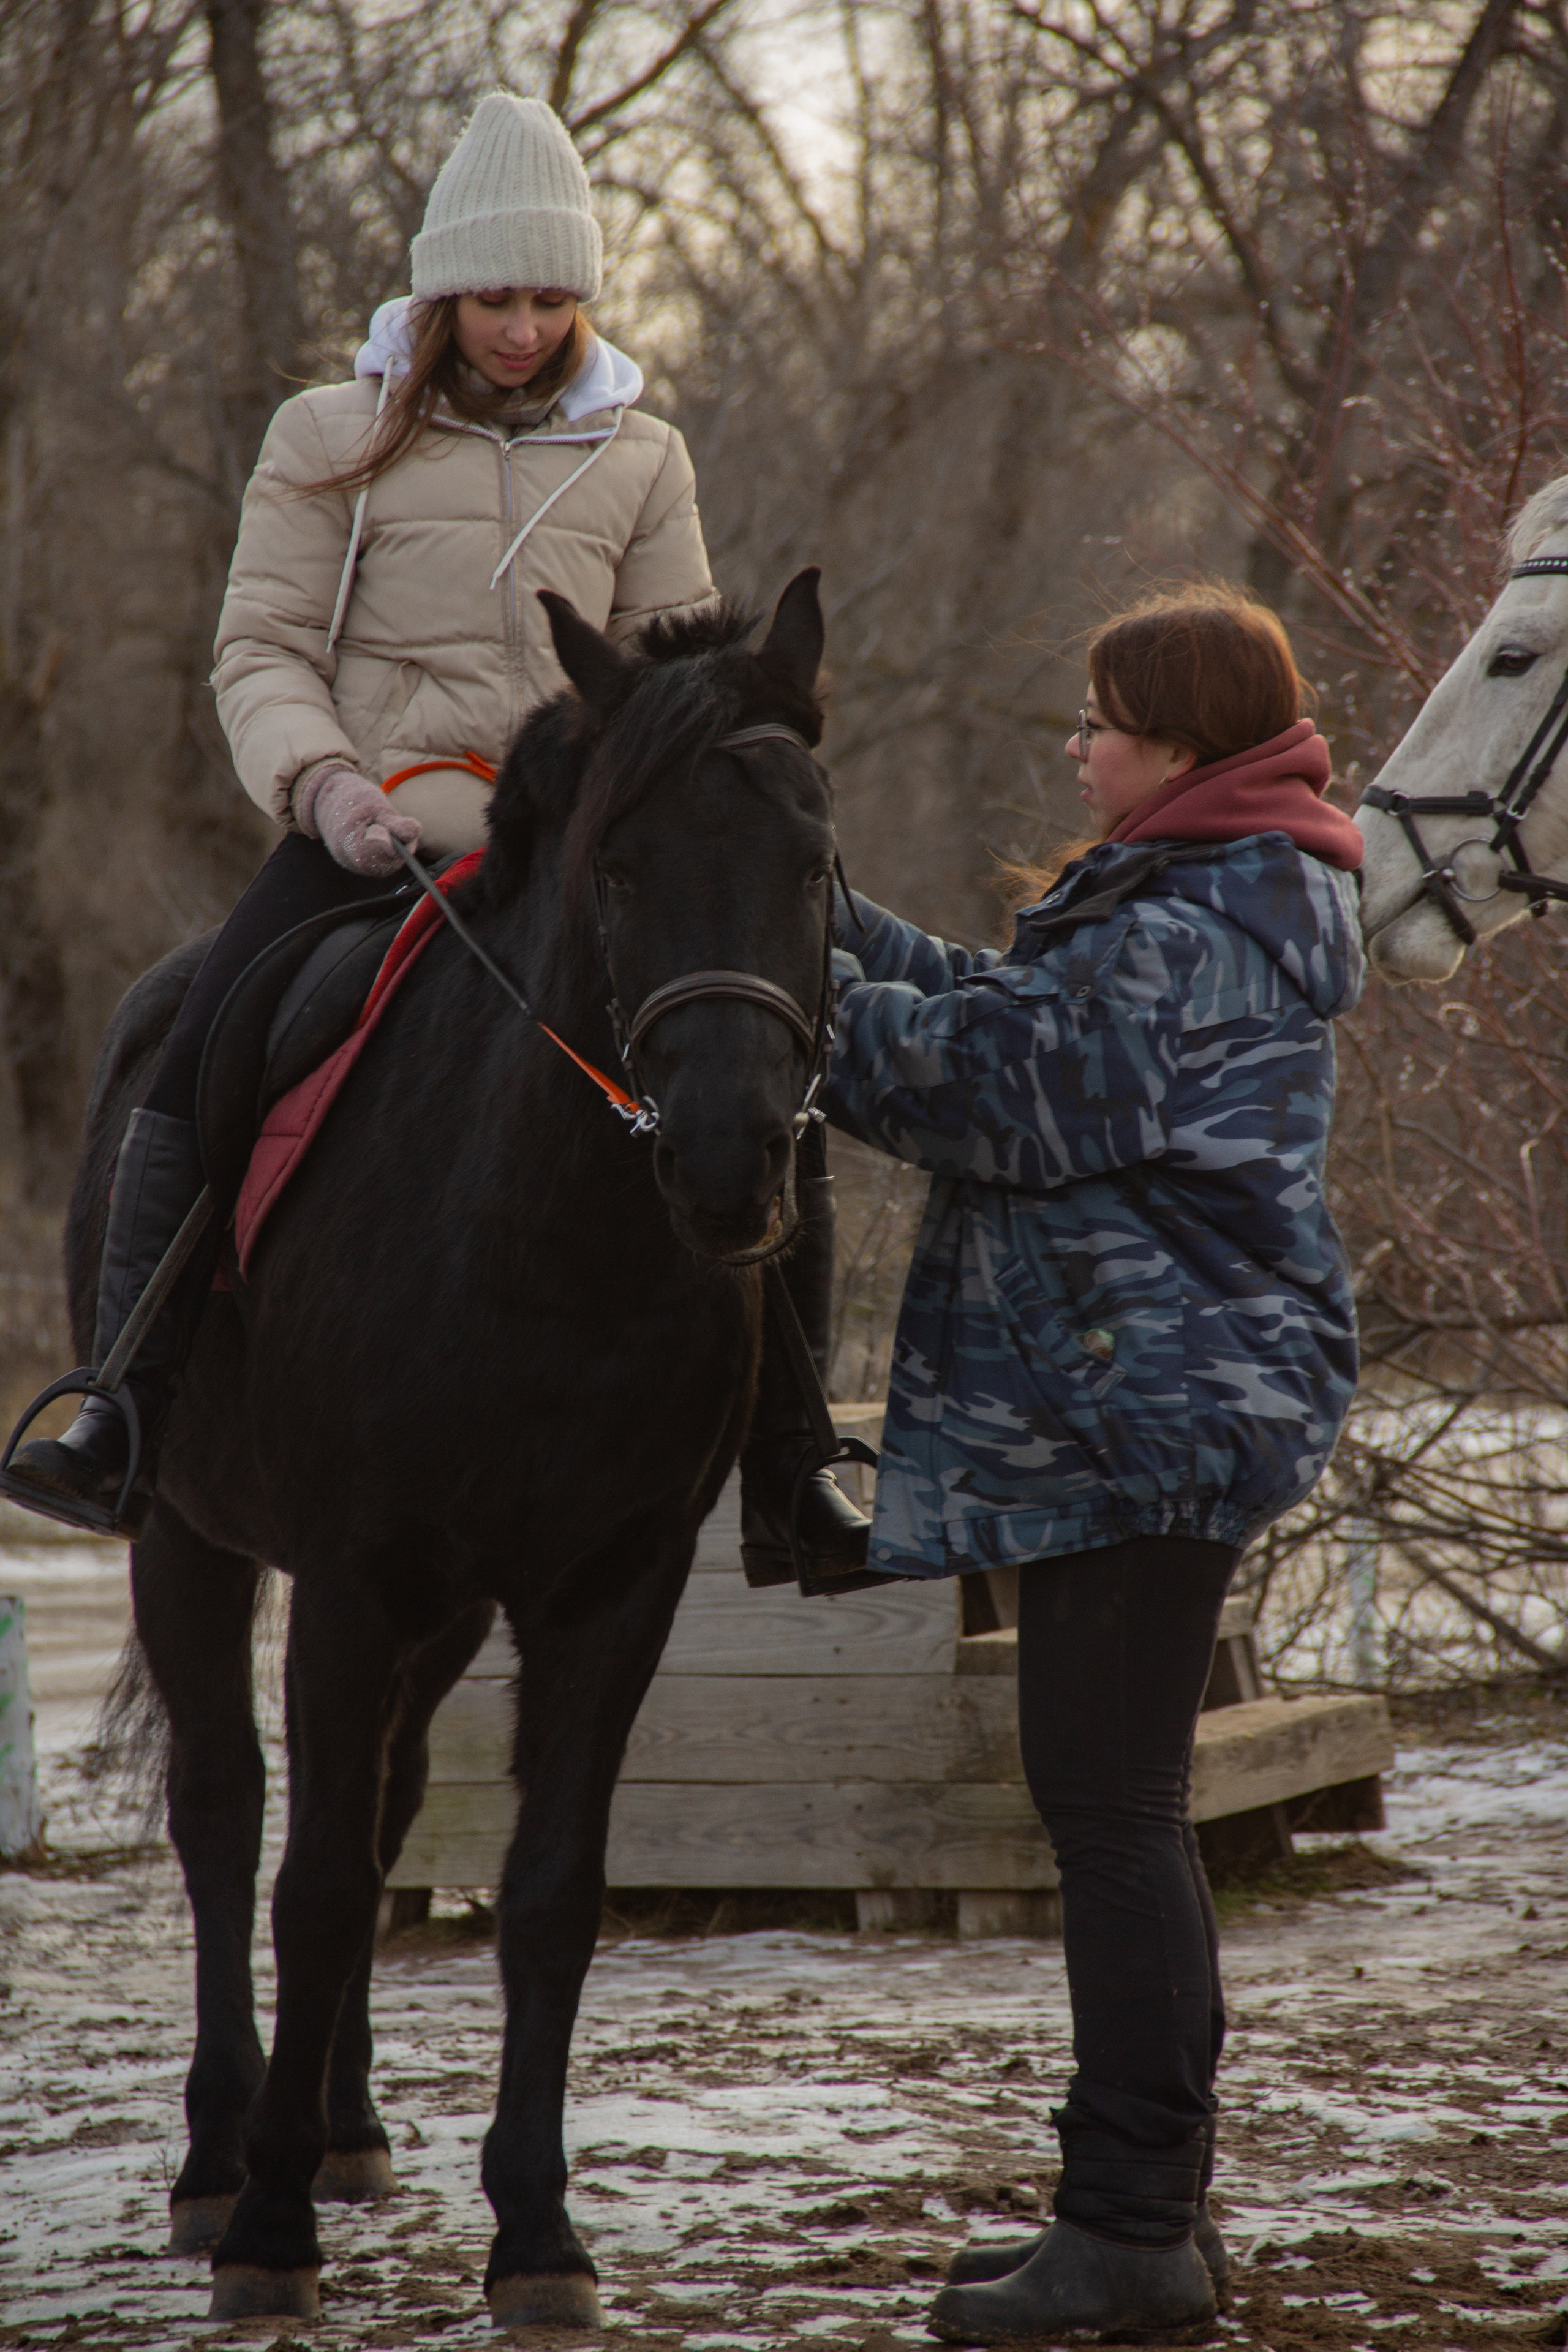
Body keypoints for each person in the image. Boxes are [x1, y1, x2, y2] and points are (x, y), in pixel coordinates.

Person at [2, 89, 869, 1589]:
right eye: (491, 297)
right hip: (368, 832)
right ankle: (126, 1408)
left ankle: (791, 1464)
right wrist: (327, 786)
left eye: (549, 297)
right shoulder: (328, 434)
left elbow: (673, 685)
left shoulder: (642, 455)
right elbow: (259, 645)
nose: (522, 327)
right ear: (436, 291)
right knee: (203, 1031)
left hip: (565, 851)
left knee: (760, 1077)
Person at [825, 587, 1366, 2345]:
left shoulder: (1203, 910)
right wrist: (822, 921)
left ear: (1185, 742)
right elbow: (1004, 1012)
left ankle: (1132, 2227)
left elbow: (1005, 1086)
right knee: (1115, 1814)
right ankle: (1144, 2216)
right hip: (1137, 1398)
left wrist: (774, 994)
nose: (1078, 745)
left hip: (1148, 1405)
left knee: (1116, 1819)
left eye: (1102, 721)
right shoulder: (1204, 884)